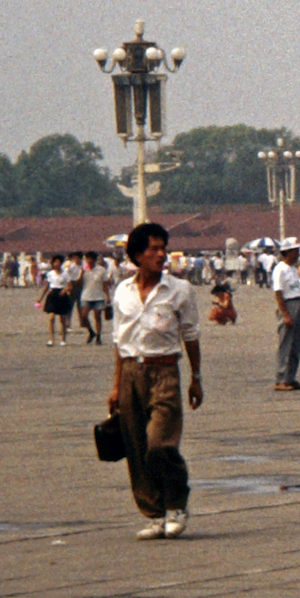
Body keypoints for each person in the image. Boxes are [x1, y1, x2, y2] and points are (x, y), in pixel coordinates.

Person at [107, 222, 204, 539]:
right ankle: (153, 513)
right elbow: (119, 342)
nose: (162, 254)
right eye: (154, 248)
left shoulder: (179, 290)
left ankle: (177, 504)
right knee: (135, 446)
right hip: (131, 373)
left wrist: (196, 378)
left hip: (164, 372)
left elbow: (190, 335)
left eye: (164, 248)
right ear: (136, 254)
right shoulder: (122, 291)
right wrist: (116, 386)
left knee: (159, 443)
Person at [269, 244, 300, 391]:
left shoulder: (293, 268)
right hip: (288, 304)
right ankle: (281, 379)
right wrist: (285, 314)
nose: (297, 254)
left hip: (298, 303)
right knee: (286, 344)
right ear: (288, 253)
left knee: (296, 345)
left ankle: (291, 378)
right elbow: (278, 293)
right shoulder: (279, 269)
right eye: (295, 252)